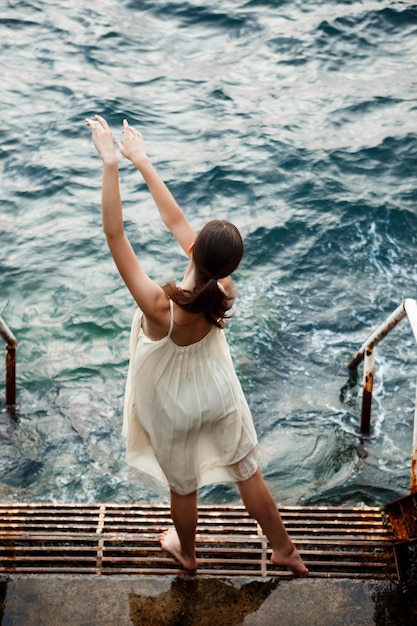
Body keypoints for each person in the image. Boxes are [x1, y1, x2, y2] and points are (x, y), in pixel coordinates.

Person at [85, 115, 308, 577]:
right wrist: (141, 160)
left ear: (194, 250)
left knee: (183, 489)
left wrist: (115, 162)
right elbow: (176, 221)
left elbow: (116, 235)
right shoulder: (225, 290)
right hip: (219, 393)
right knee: (249, 472)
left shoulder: (158, 306)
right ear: (225, 263)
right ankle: (285, 549)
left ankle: (187, 553)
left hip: (172, 406)